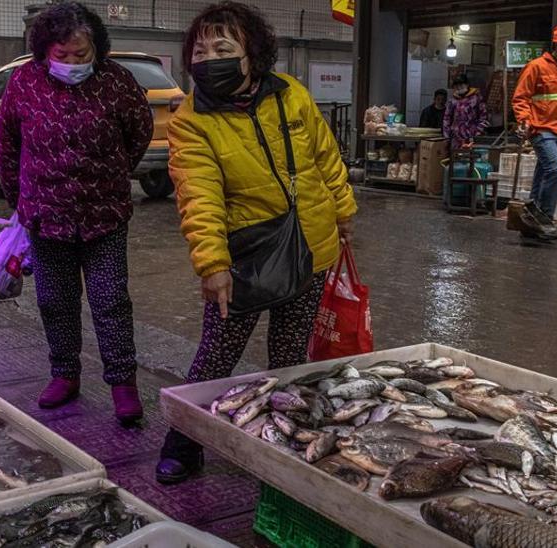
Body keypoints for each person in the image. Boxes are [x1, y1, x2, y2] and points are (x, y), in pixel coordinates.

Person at [156, 1, 357, 484]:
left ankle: (283, 439)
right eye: (200, 51)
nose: (209, 59)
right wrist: (212, 264)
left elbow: (325, 157)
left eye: (223, 48)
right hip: (243, 259)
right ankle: (184, 442)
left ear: (253, 55)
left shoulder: (291, 94)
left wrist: (344, 211)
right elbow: (198, 195)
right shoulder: (191, 120)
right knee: (215, 358)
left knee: (289, 358)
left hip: (309, 248)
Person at [0, 2, 153, 425]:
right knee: (55, 301)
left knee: (110, 301)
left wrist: (113, 173)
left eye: (80, 55)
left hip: (104, 216)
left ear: (97, 50)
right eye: (61, 55)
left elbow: (140, 133)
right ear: (44, 50)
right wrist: (20, 199)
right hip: (45, 216)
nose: (70, 63)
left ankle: (123, 383)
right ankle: (64, 374)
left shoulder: (117, 81)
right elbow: (8, 144)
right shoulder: (24, 82)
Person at [512, 25, 557, 228]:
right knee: (555, 169)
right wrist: (524, 120)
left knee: (544, 172)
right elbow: (520, 97)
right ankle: (544, 216)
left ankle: (531, 215)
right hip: (540, 129)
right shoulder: (537, 66)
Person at [443, 74, 489, 149]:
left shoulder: (477, 98)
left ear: (467, 84)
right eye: (456, 85)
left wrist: (478, 132)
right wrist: (446, 136)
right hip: (456, 139)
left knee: (470, 158)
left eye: (461, 84)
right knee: (455, 159)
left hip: (472, 138)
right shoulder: (452, 100)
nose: (458, 87)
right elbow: (446, 119)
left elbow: (484, 117)